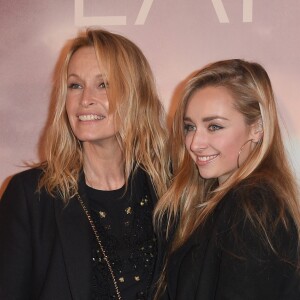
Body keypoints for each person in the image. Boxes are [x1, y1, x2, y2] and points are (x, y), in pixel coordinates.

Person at [0, 28, 170, 300]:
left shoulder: (169, 188)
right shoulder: (31, 195)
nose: (85, 99)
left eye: (103, 85)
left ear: (136, 94)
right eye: (75, 85)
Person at [153, 59, 300, 299]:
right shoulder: (223, 202)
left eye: (214, 127)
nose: (194, 143)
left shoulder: (254, 207)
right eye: (190, 127)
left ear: (257, 127)